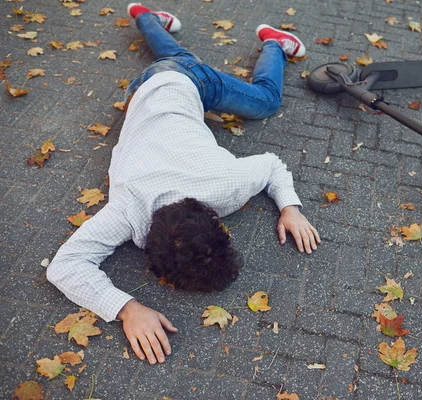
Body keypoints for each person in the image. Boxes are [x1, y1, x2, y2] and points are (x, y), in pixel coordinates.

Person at [47, 3, 319, 366]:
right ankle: (162, 20)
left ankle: (261, 40)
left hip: (172, 84)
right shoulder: (129, 210)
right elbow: (62, 267)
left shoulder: (226, 186)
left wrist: (290, 206)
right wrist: (126, 309)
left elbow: (271, 165)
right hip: (160, 87)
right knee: (217, 77)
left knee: (220, 78)